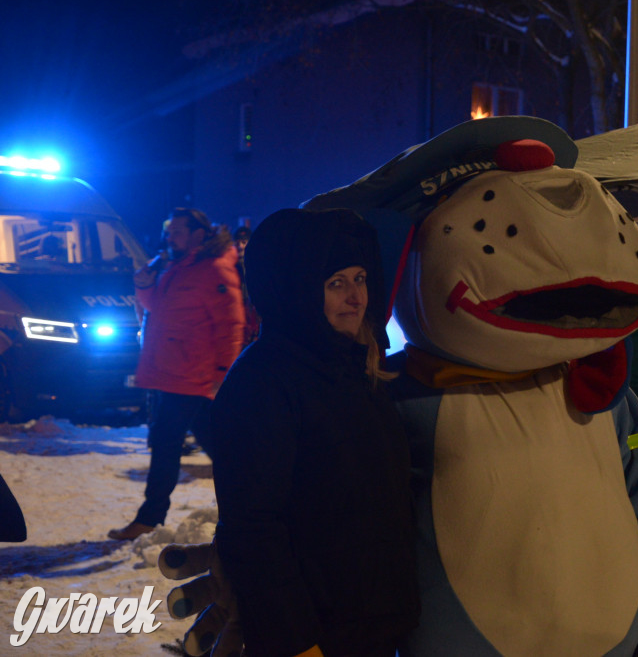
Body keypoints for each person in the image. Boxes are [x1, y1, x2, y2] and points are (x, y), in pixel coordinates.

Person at [211, 207, 419, 656]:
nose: (355, 296)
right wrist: (296, 641)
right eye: (335, 283)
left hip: (374, 625)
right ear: (297, 290)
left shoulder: (358, 368)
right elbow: (252, 526)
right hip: (314, 634)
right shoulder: (263, 382)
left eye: (360, 278)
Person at [108, 208, 245, 541]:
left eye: (178, 231)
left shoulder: (214, 269)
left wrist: (223, 372)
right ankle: (265, 503)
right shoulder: (178, 267)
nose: (170, 237)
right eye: (169, 230)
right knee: (225, 450)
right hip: (177, 373)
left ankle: (150, 518)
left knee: (167, 443)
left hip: (193, 376)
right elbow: (156, 307)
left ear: (199, 233)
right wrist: (143, 285)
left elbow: (232, 324)